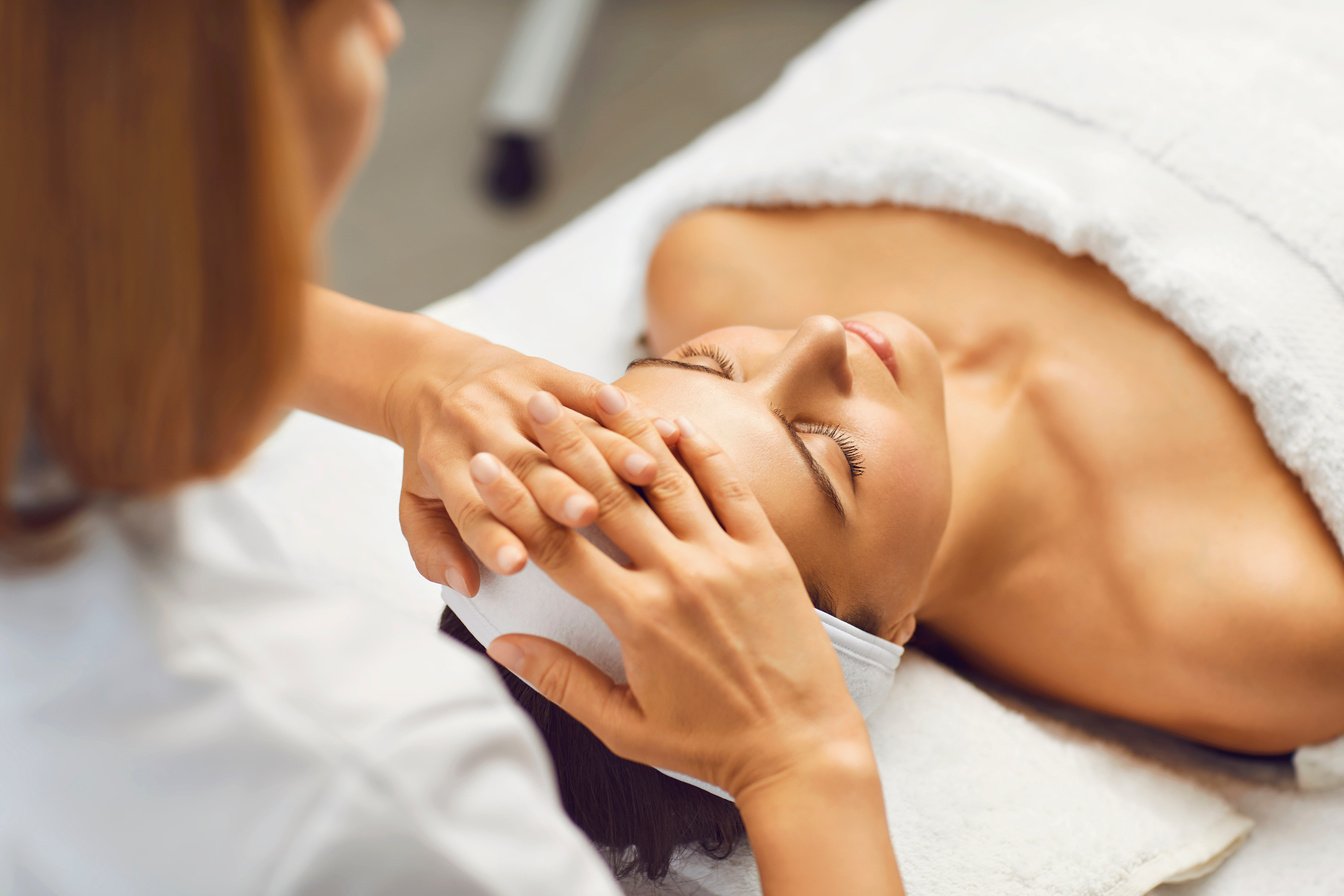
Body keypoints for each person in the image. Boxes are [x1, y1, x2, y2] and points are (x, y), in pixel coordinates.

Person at [0, 2, 903, 893]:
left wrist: (404, 369)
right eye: (834, 459)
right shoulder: (378, 802)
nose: (821, 333)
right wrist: (805, 763)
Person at [444, 202, 1344, 876]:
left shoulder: (714, 263)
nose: (820, 335)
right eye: (833, 458)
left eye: (703, 365)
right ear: (894, 633)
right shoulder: (1267, 620)